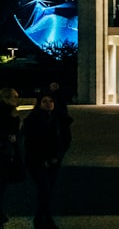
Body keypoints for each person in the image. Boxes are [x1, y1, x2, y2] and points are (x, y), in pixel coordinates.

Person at [23, 92, 69, 229]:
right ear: (39, 104)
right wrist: (42, 159)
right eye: (44, 101)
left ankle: (42, 217)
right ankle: (43, 218)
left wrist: (57, 157)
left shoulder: (60, 120)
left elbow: (66, 140)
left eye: (51, 101)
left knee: (48, 189)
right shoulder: (32, 121)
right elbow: (31, 143)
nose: (48, 104)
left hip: (54, 160)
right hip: (37, 161)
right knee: (44, 188)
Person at [0, 88, 23, 227]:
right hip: (4, 152)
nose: (17, 99)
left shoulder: (11, 111)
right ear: (6, 98)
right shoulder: (7, 112)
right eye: (14, 96)